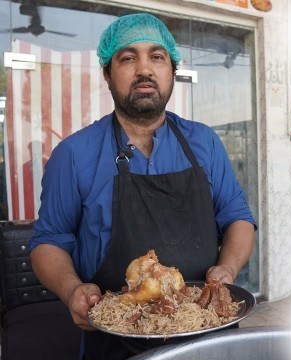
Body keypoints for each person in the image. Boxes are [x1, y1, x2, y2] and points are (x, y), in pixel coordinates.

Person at [28, 13, 256, 360]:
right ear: (108, 73)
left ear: (172, 71)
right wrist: (72, 289)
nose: (144, 70)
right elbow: (48, 242)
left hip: (208, 330)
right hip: (116, 339)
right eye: (128, 57)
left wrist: (228, 269)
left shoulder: (205, 142)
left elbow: (237, 216)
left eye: (157, 57)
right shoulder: (74, 154)